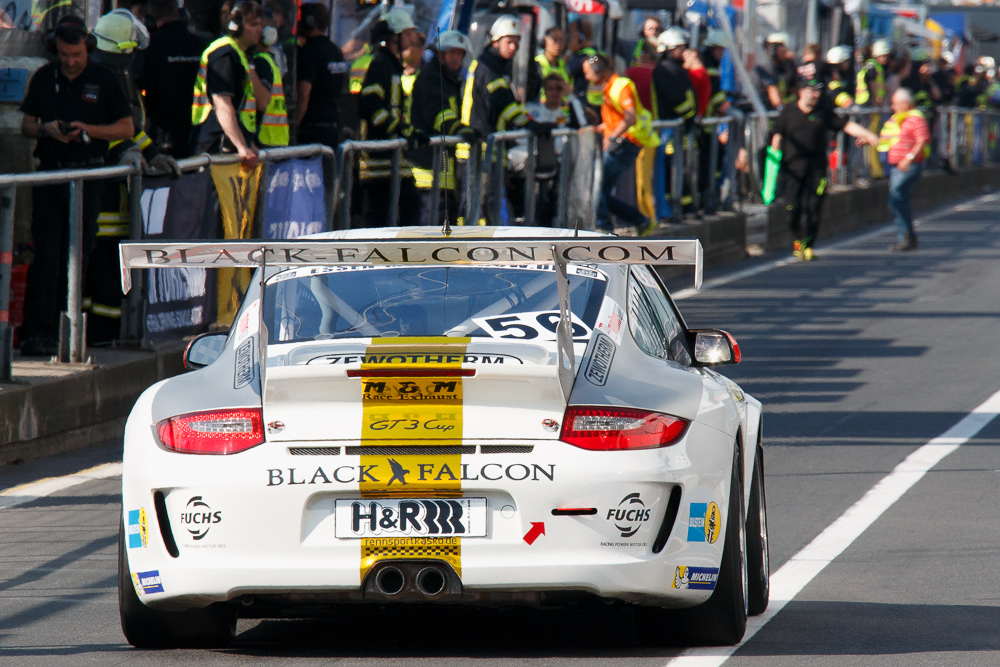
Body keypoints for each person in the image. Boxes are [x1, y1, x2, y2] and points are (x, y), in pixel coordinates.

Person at [18, 15, 133, 355]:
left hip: (87, 176)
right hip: (51, 174)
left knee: (77, 255)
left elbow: (126, 127)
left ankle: (70, 331)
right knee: (47, 256)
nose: (70, 61)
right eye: (65, 55)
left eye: (77, 55)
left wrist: (88, 131)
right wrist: (45, 129)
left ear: (88, 50)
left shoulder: (105, 78)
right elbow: (26, 124)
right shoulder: (44, 77)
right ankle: (37, 332)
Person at [90, 8, 181, 344]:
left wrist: (153, 154)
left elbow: (131, 130)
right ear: (124, 50)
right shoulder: (103, 75)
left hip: (113, 185)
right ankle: (98, 334)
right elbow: (114, 129)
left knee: (107, 260)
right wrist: (126, 150)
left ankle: (104, 331)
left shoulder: (115, 75)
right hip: (100, 183)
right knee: (99, 263)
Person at [770, 73, 878, 261]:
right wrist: (772, 165)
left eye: (818, 92)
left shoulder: (823, 111)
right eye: (812, 92)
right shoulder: (788, 112)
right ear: (801, 92)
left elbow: (846, 125)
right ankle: (798, 241)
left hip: (817, 168)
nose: (816, 95)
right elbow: (777, 137)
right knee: (792, 208)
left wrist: (868, 135)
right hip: (793, 169)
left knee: (814, 207)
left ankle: (809, 245)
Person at [461, 15, 549, 224]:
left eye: (517, 43)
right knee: (476, 201)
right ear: (495, 41)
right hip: (478, 145)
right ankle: (471, 244)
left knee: (488, 199)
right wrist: (529, 124)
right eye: (509, 42)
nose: (514, 47)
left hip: (489, 146)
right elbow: (502, 103)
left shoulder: (497, 66)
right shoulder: (488, 67)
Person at [357, 7, 422, 227]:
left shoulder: (391, 66)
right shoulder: (380, 66)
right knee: (381, 217)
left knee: (408, 207)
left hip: (392, 158)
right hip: (379, 161)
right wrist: (399, 129)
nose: (411, 39)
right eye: (406, 34)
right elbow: (371, 106)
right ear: (393, 36)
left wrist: (408, 131)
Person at [584, 52, 658, 235]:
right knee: (602, 191)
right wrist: (597, 130)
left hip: (625, 142)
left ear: (598, 70)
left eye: (587, 72)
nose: (585, 77)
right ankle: (641, 220)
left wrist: (611, 138)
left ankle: (603, 227)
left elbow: (630, 117)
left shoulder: (620, 86)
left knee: (595, 182)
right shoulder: (609, 88)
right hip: (622, 141)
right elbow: (614, 121)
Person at [190, 0, 270, 165]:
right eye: (254, 24)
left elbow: (238, 109)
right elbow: (223, 106)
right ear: (236, 26)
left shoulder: (237, 54)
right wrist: (242, 147)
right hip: (213, 146)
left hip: (223, 145)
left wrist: (249, 144)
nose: (260, 30)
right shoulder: (224, 55)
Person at [409, 29, 474, 225]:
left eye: (460, 53)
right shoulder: (431, 77)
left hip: (443, 171)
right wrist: (459, 129)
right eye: (452, 52)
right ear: (440, 54)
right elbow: (437, 112)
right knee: (430, 231)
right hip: (427, 172)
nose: (457, 58)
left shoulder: (449, 79)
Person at [134, 0, 207, 157]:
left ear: (149, 21)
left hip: (163, 138)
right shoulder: (202, 44)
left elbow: (137, 85)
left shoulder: (150, 46)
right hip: (198, 135)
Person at [877, 88, 930, 251]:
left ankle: (906, 236)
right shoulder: (898, 118)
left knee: (896, 199)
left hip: (908, 165)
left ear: (905, 104)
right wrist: (868, 140)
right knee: (899, 200)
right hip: (896, 166)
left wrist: (908, 159)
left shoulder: (915, 119)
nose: (892, 107)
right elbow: (886, 140)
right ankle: (907, 236)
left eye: (895, 104)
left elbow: (922, 140)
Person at [653, 27, 695, 219]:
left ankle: (683, 205)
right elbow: (675, 99)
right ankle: (674, 207)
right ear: (669, 49)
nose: (683, 51)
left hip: (679, 127)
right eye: (679, 47)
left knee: (679, 166)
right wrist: (689, 114)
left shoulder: (675, 69)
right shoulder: (665, 70)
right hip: (669, 128)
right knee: (671, 167)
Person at [296, 3, 348, 147]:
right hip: (334, 127)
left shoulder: (308, 51)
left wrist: (294, 126)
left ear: (309, 22)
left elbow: (303, 93)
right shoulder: (336, 51)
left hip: (313, 132)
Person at [252, 7, 288, 147]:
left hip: (264, 139)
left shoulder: (260, 62)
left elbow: (262, 103)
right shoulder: (271, 61)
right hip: (275, 139)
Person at [566, 19, 601, 121]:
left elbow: (564, 71)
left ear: (580, 36)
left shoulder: (583, 56)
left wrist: (570, 51)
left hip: (585, 105)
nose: (568, 37)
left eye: (571, 33)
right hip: (595, 103)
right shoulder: (595, 52)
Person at [534, 26, 570, 101]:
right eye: (555, 40)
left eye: (561, 40)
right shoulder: (537, 64)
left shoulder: (564, 65)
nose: (558, 44)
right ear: (544, 42)